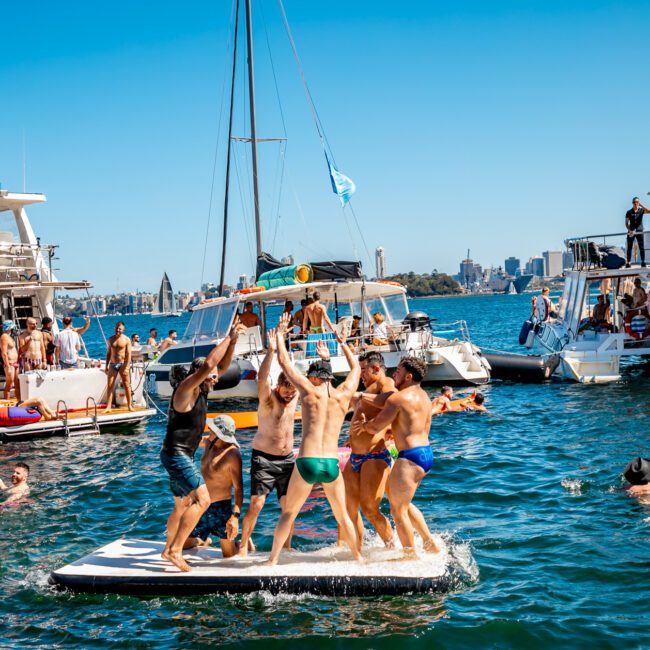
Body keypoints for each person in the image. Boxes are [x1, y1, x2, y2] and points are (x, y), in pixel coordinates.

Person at [265, 312, 362, 566]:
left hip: (307, 462)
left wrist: (283, 336)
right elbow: (357, 368)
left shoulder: (308, 392)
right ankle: (358, 558)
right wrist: (341, 343)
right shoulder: (343, 395)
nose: (308, 379)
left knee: (289, 512)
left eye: (311, 375)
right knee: (343, 518)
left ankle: (272, 560)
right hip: (332, 464)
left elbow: (285, 365)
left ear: (316, 377)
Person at [160, 318, 246, 572]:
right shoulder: (186, 390)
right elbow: (210, 363)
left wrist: (234, 342)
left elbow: (219, 366)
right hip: (177, 456)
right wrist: (228, 337)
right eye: (211, 377)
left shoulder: (203, 389)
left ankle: (168, 548)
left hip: (176, 454)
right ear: (200, 376)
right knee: (203, 499)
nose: (216, 378)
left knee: (181, 504)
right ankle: (176, 550)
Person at [353, 356, 438, 559]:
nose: (394, 374)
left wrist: (363, 426)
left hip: (409, 457)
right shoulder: (424, 396)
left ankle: (410, 555)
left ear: (408, 376)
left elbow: (376, 426)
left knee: (397, 511)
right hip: (425, 453)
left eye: (398, 371)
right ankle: (428, 543)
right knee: (404, 504)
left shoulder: (398, 398)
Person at [238, 329, 299, 557]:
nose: (289, 396)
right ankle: (243, 543)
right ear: (278, 387)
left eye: (292, 394)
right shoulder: (269, 398)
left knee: (288, 509)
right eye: (286, 392)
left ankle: (287, 546)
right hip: (264, 459)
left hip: (287, 460)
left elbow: (297, 375)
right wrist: (271, 350)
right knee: (257, 504)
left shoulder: (294, 395)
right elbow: (261, 378)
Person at [344, 351, 395, 547]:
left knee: (370, 510)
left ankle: (391, 547)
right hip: (354, 456)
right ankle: (358, 551)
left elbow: (391, 399)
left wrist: (361, 396)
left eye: (363, 370)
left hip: (374, 456)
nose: (361, 375)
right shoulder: (366, 391)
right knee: (349, 508)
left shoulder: (385, 383)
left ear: (376, 368)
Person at [184, 416, 246, 558]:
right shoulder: (209, 442)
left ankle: (244, 542)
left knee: (228, 554)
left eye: (212, 431)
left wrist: (235, 517)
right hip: (201, 504)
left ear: (221, 435)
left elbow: (239, 489)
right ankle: (203, 541)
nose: (209, 432)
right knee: (183, 546)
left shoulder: (232, 455)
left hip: (220, 508)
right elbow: (190, 441)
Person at [103, 322, 133, 413]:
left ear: (123, 330)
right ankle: (108, 407)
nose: (117, 330)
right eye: (116, 328)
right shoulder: (110, 339)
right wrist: (106, 365)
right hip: (113, 364)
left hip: (123, 364)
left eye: (120, 329)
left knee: (126, 385)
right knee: (110, 385)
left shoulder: (126, 339)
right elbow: (108, 353)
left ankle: (129, 405)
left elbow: (129, 354)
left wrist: (126, 367)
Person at [625, 197, 650, 268]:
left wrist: (641, 205)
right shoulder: (629, 212)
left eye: (636, 202)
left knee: (641, 247)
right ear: (632, 203)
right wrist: (629, 230)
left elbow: (649, 211)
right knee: (629, 247)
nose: (635, 203)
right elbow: (626, 223)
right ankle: (628, 262)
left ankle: (643, 261)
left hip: (639, 231)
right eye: (634, 202)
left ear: (638, 203)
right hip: (631, 231)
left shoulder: (641, 210)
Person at [0, 320, 20, 399]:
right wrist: (7, 366)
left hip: (15, 363)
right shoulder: (4, 337)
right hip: (10, 364)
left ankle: (19, 402)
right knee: (9, 384)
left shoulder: (10, 337)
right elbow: (4, 353)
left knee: (17, 384)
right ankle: (7, 405)